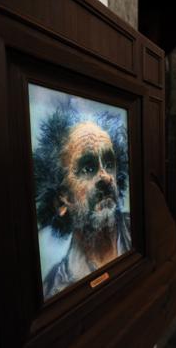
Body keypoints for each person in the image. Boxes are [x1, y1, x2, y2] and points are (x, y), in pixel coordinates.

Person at [36, 120, 132, 298]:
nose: (106, 177)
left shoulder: (140, 230)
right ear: (62, 200)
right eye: (88, 168)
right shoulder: (56, 291)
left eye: (109, 164)